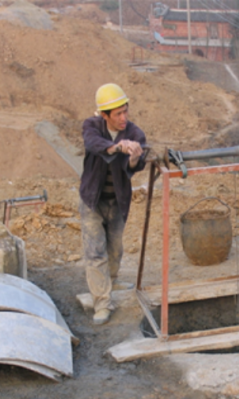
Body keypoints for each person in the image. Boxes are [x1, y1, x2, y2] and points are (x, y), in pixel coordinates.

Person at [79, 83, 147, 325]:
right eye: (118, 114)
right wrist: (118, 147)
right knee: (95, 252)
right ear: (104, 115)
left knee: (115, 248)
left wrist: (135, 158)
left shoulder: (136, 134)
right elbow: (93, 144)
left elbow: (133, 168)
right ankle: (102, 302)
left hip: (117, 201)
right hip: (92, 199)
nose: (123, 118)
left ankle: (111, 279)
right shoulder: (92, 126)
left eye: (125, 111)